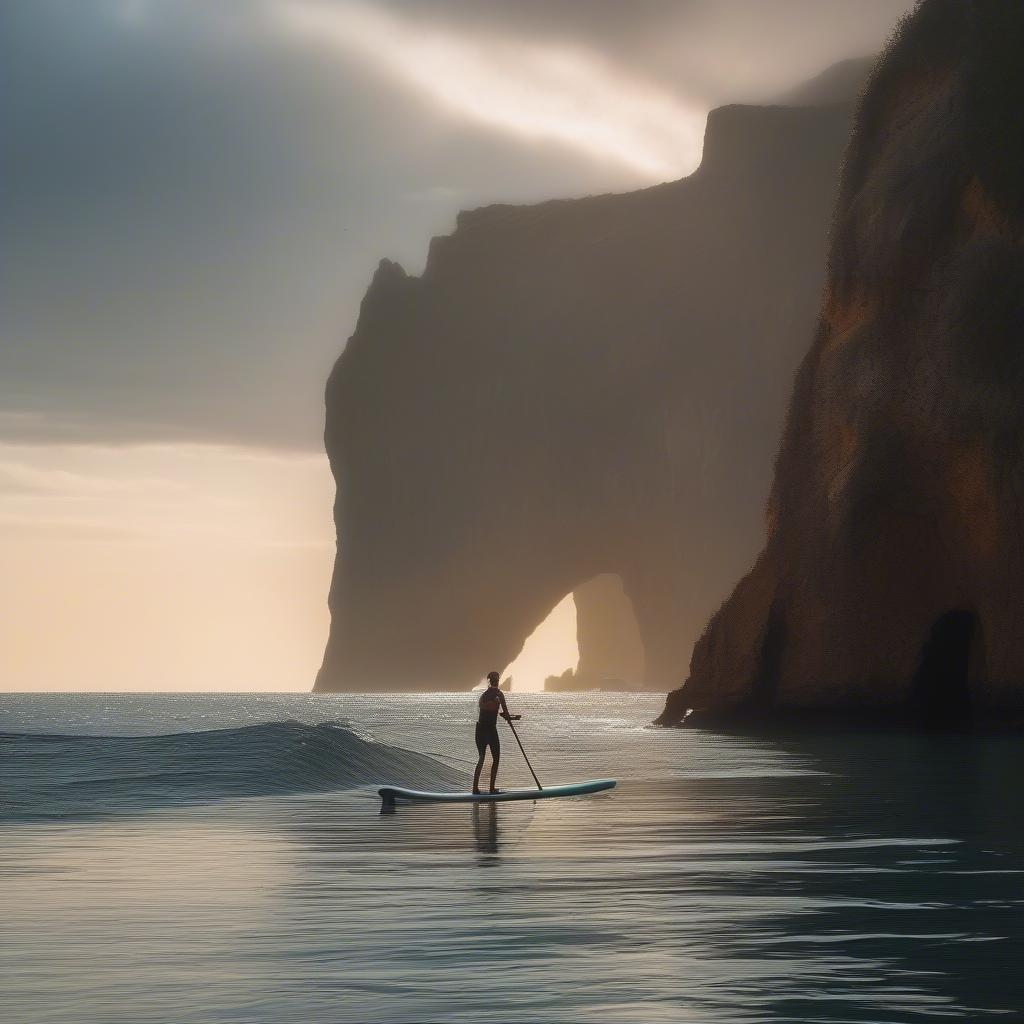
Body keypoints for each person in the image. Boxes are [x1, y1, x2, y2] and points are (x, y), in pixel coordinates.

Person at [472, 670, 521, 794]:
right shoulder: (499, 694)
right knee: (496, 758)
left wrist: (506, 715)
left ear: (489, 681)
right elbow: (505, 714)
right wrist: (514, 718)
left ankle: (475, 789)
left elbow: (486, 710)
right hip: (490, 730)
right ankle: (492, 788)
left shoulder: (483, 695)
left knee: (481, 757)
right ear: (497, 681)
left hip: (479, 729)